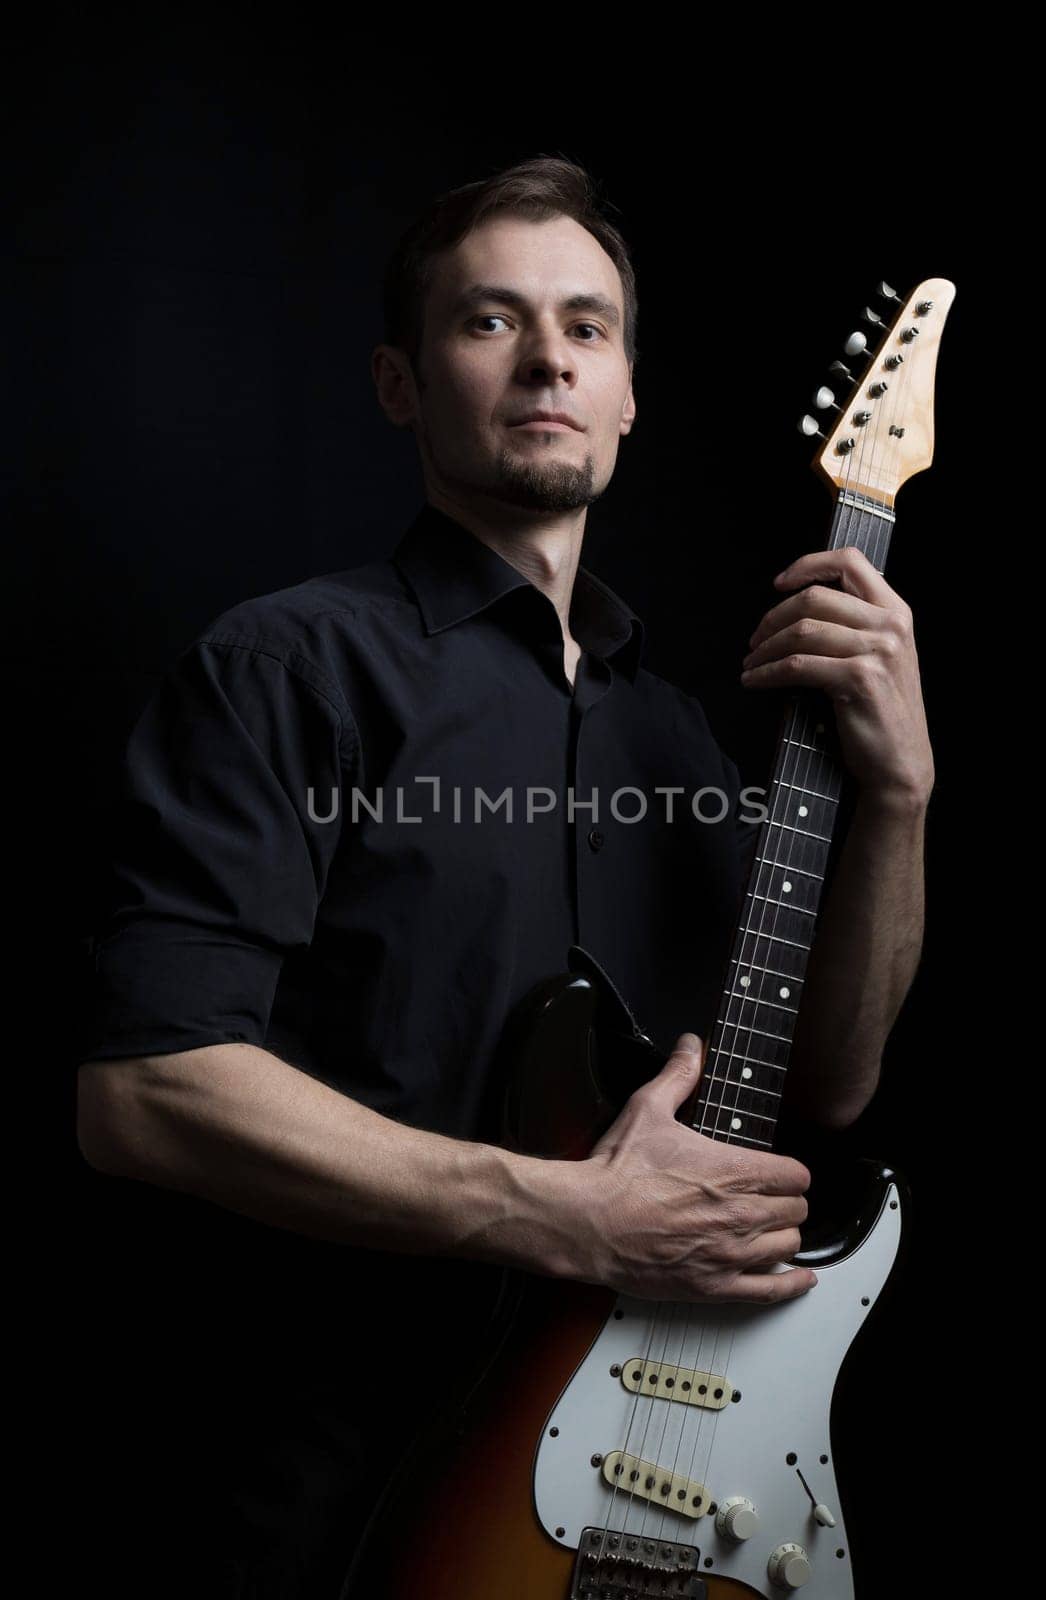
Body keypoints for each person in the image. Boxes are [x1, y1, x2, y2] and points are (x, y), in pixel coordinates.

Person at [75, 156, 933, 1599]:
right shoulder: (287, 671)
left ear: (632, 391)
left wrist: (901, 796)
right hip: (337, 1493)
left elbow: (818, 1097)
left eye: (588, 327)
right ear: (400, 382)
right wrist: (563, 1212)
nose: (548, 357)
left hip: (656, 1479)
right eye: (491, 321)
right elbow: (144, 1091)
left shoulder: (681, 736)